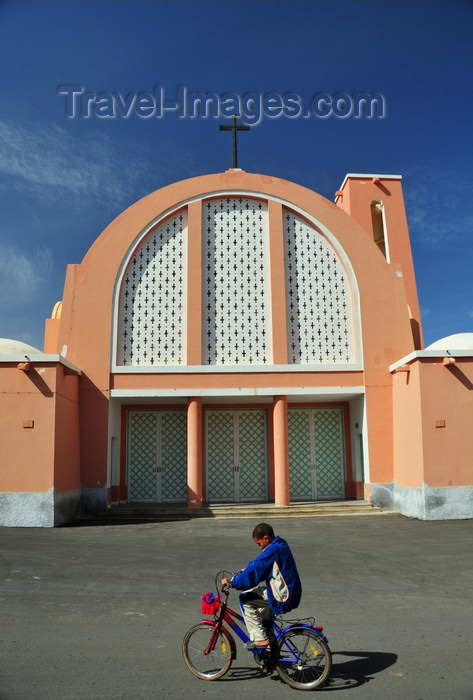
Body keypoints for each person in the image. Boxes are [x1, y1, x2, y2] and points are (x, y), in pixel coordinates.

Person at [221, 523, 302, 650]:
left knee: (245, 598)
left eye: (259, 543)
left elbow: (256, 570)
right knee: (263, 618)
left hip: (282, 595)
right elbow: (263, 566)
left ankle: (260, 639)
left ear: (266, 538)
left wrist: (232, 582)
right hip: (291, 590)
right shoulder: (280, 544)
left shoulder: (272, 550)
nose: (259, 547)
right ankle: (270, 654)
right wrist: (247, 569)